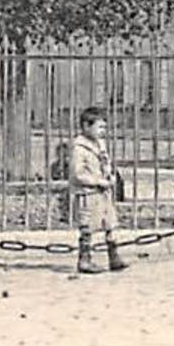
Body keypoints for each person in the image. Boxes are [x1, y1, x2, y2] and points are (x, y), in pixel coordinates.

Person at [69, 106, 128, 274]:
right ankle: (85, 260)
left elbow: (105, 163)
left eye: (104, 127)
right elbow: (77, 174)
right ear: (86, 126)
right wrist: (97, 181)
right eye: (100, 127)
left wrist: (110, 176)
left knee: (110, 224)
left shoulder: (100, 145)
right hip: (88, 193)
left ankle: (114, 256)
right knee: (88, 227)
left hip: (103, 192)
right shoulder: (79, 148)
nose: (103, 131)